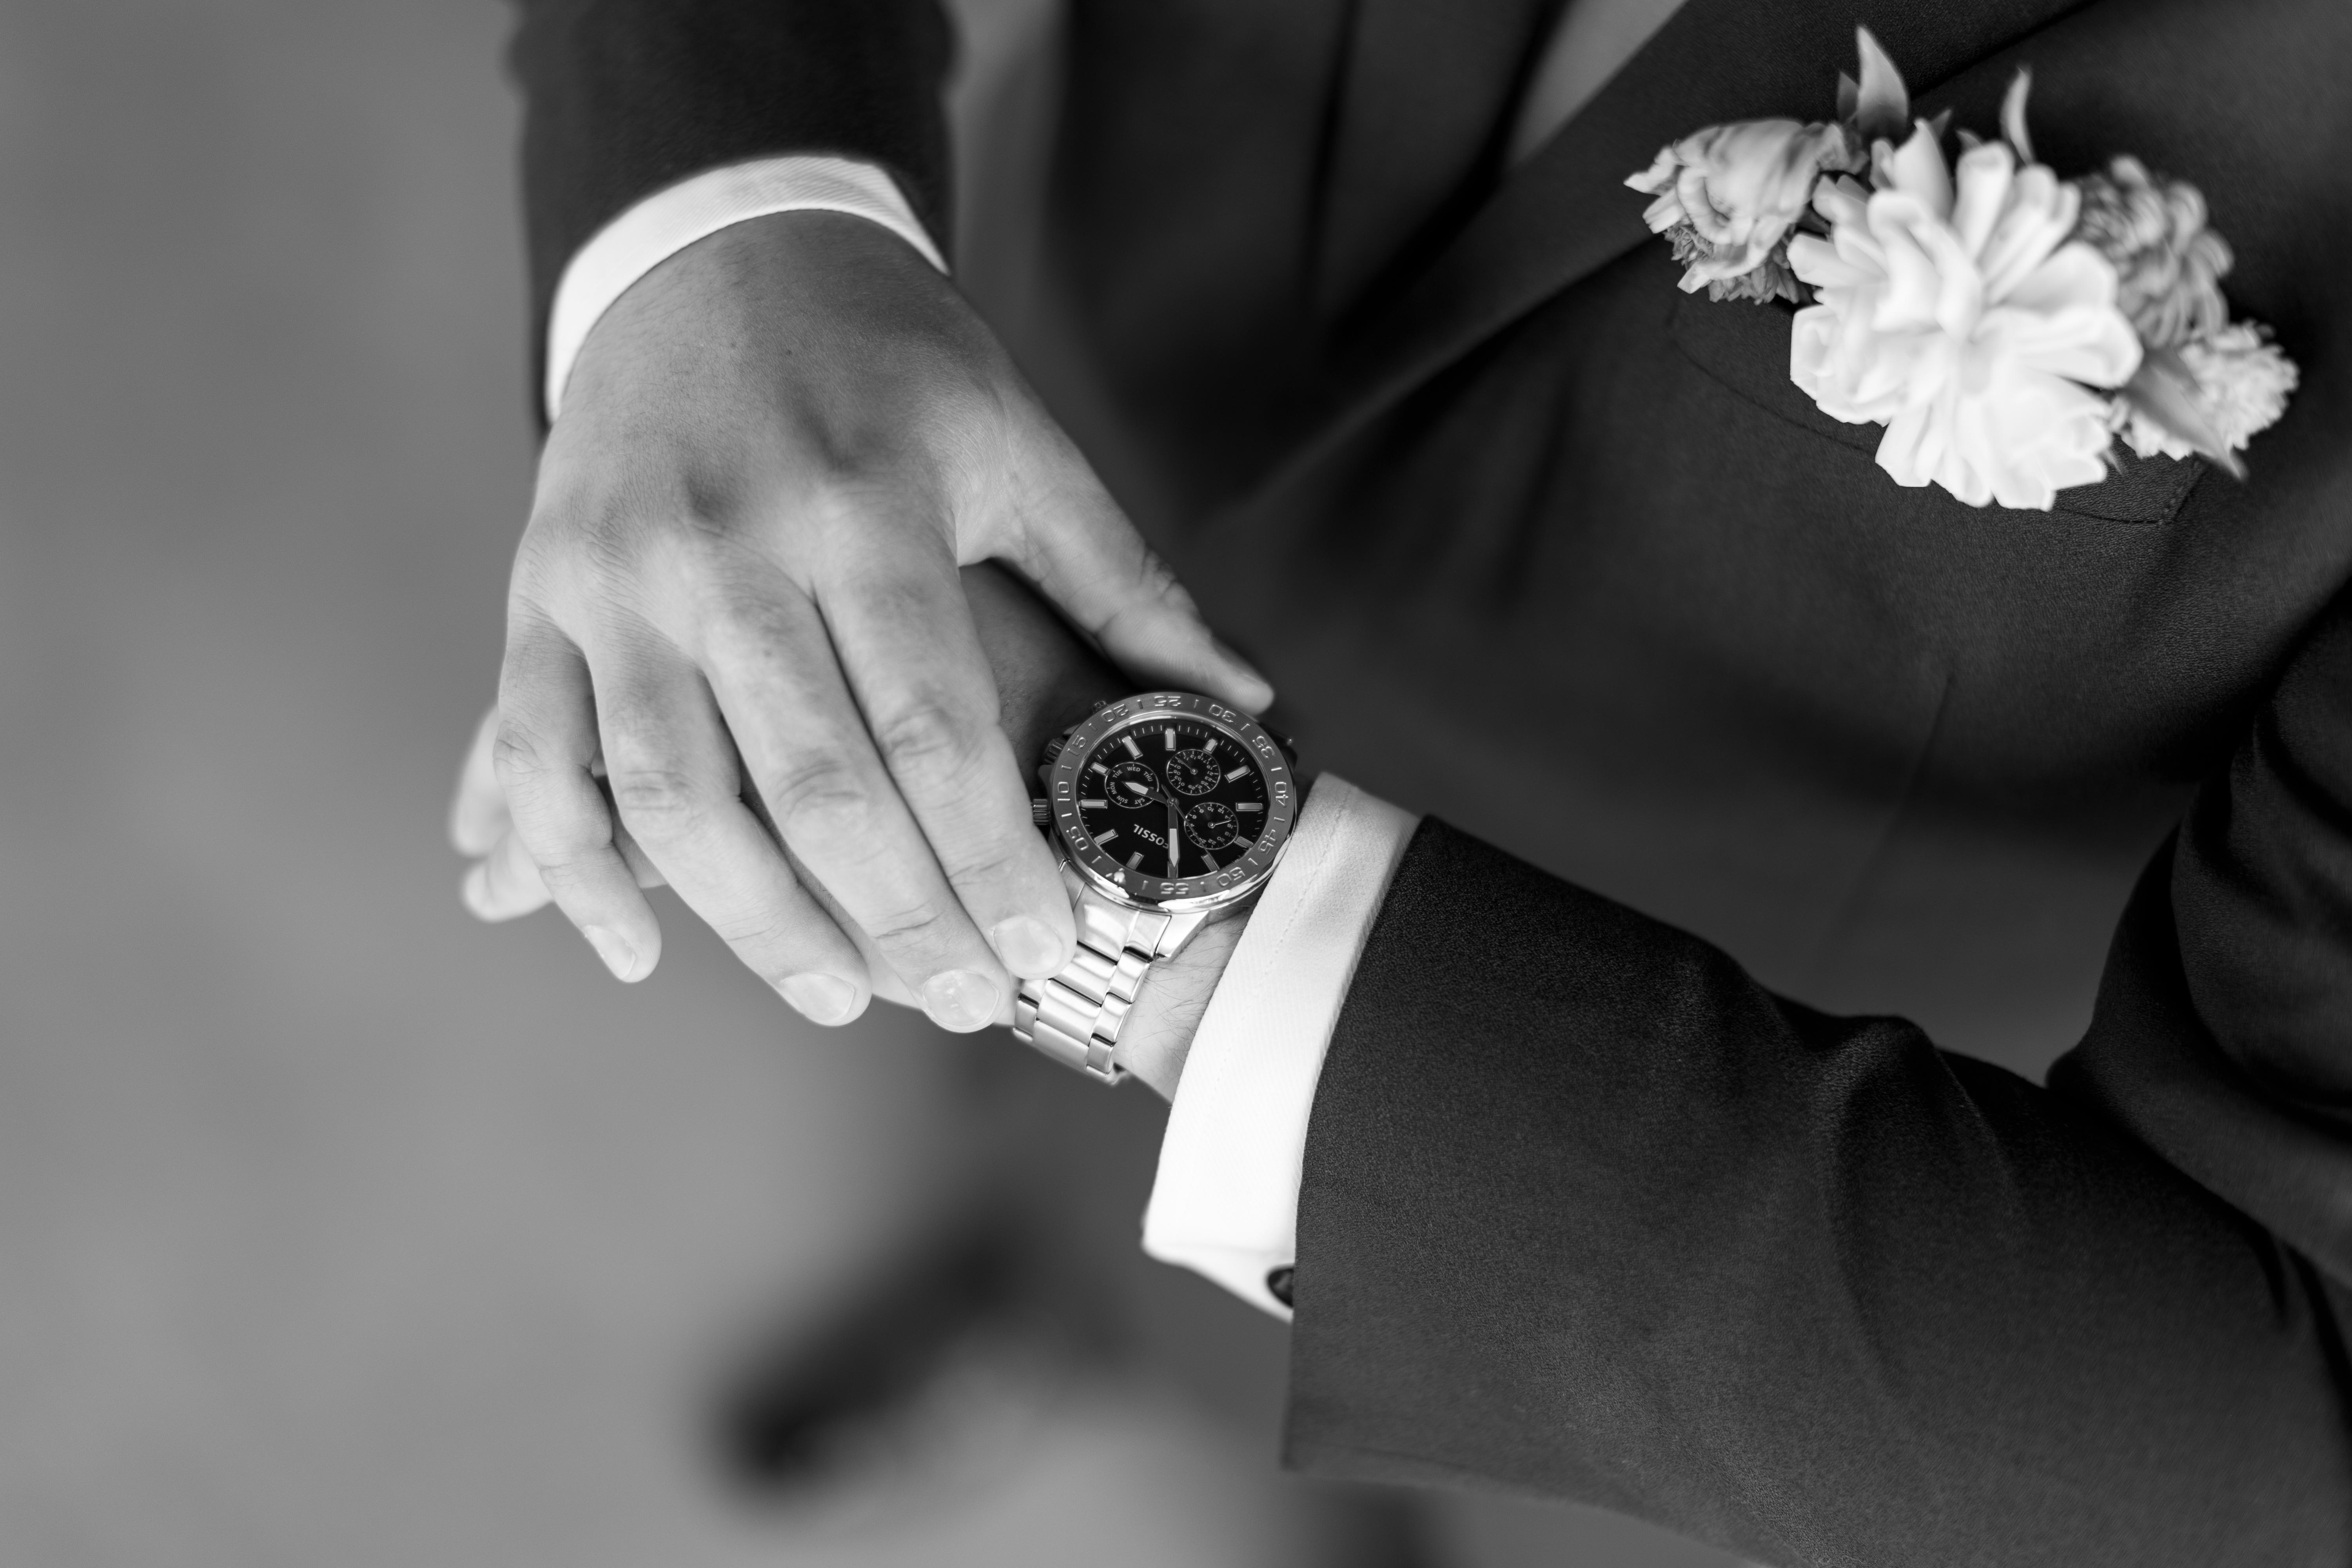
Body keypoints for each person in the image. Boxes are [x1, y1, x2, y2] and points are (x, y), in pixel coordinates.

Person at [454, 0, 2352, 1561]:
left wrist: (1152, 915)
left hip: (1639, 1022)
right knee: (1021, 1105)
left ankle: (1299, 1430)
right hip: (1049, 375)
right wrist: (725, 220)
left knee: (1408, 1326)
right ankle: (1051, 1286)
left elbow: (2282, 1403)